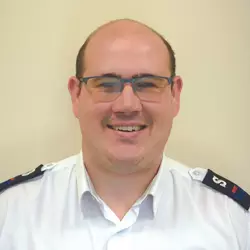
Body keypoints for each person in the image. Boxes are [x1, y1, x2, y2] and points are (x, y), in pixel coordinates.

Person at [0, 18, 249, 250]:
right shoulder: (9, 215)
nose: (127, 105)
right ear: (76, 95)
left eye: (148, 84)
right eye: (106, 84)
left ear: (175, 95)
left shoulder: (232, 220)